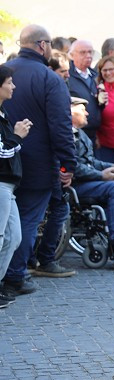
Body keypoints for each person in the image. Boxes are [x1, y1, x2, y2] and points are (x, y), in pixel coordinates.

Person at [1, 26, 78, 294]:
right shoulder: (49, 79)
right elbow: (61, 126)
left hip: (5, 161)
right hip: (36, 166)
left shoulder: (5, 72)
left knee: (6, 223)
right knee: (26, 222)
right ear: (43, 45)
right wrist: (68, 166)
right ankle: (15, 276)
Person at [70, 96, 114, 260]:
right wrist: (101, 175)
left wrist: (112, 166)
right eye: (82, 110)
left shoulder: (82, 135)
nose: (87, 113)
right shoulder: (66, 135)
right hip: (75, 186)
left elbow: (91, 162)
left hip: (87, 182)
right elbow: (74, 167)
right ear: (70, 112)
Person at [0, 65, 30, 307]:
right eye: (9, 82)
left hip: (8, 186)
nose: (13, 86)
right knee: (1, 237)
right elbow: (2, 151)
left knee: (13, 237)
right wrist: (18, 136)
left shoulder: (3, 113)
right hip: (1, 183)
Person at [66, 39, 104, 145]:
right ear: (72, 55)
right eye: (83, 52)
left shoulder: (95, 76)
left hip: (94, 132)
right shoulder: (67, 76)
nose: (88, 56)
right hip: (76, 133)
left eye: (90, 52)